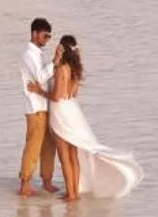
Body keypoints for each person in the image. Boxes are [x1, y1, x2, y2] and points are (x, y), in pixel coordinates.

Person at [47, 34, 143, 201]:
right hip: (73, 110)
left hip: (61, 112)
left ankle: (71, 194)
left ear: (62, 49)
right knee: (73, 154)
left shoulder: (60, 68)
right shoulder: (75, 70)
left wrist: (38, 90)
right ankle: (74, 192)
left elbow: (56, 96)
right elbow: (73, 93)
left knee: (64, 156)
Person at [17, 16, 61, 197]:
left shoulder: (39, 54)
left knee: (49, 146)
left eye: (49, 36)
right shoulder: (28, 55)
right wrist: (55, 61)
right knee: (33, 145)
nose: (47, 40)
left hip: (45, 104)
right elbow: (41, 78)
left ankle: (47, 180)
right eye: (45, 36)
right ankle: (25, 182)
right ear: (35, 34)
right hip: (35, 107)